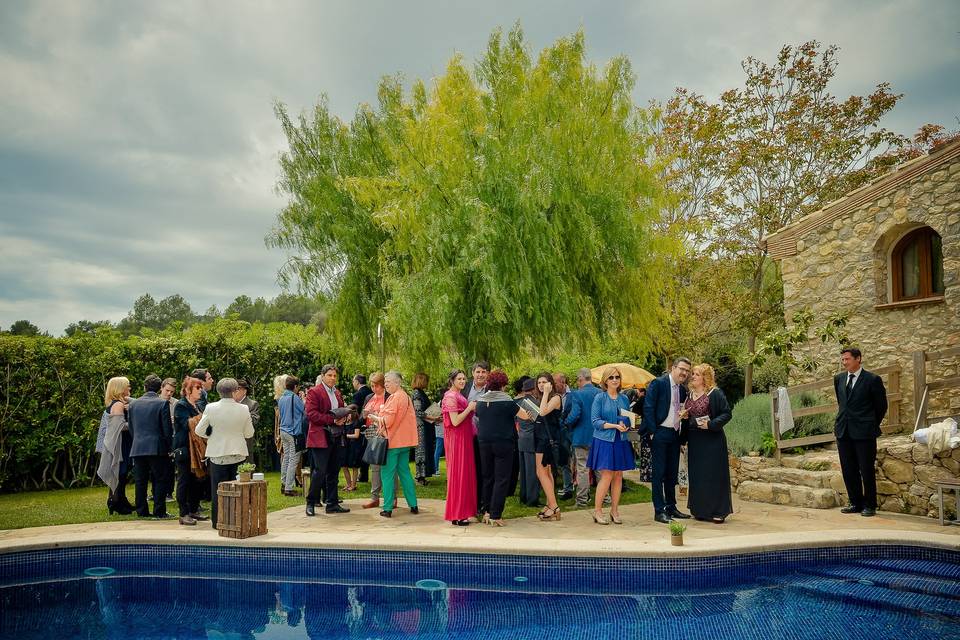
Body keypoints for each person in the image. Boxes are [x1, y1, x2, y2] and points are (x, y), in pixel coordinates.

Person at [834, 347, 888, 518]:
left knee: (866, 469)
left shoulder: (872, 380)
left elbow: (881, 406)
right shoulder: (839, 379)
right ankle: (855, 502)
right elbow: (842, 403)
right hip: (843, 431)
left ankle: (870, 505)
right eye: (842, 360)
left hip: (864, 432)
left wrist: (870, 424)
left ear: (858, 359)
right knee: (848, 469)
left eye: (847, 359)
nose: (844, 362)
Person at [195, 378, 254, 528]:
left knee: (218, 489)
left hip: (218, 454)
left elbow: (199, 430)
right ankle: (237, 520)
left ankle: (218, 521)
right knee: (238, 488)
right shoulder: (243, 409)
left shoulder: (211, 407)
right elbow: (249, 433)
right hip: (238, 453)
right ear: (235, 391)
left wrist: (213, 436)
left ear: (218, 392)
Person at [643, 357, 692, 524]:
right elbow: (648, 407)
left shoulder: (683, 390)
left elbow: (683, 413)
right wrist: (653, 432)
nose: (684, 373)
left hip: (674, 435)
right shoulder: (658, 383)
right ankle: (659, 510)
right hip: (660, 433)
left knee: (672, 473)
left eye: (687, 371)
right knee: (658, 473)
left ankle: (671, 507)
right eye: (682, 369)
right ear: (673, 368)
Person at [684, 364, 733, 523]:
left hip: (713, 441)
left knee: (714, 475)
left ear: (705, 377)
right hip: (695, 440)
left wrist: (711, 424)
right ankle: (700, 510)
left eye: (697, 374)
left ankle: (719, 511)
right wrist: (684, 416)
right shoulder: (689, 395)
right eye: (693, 374)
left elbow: (726, 414)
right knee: (698, 475)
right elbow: (688, 416)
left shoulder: (715, 394)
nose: (693, 377)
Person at [588, 366, 635, 524]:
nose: (615, 380)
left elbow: (626, 418)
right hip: (604, 440)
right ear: (605, 381)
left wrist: (626, 424)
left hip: (620, 439)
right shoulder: (599, 398)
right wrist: (614, 425)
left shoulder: (624, 399)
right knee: (607, 475)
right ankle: (598, 511)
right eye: (611, 378)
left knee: (618, 475)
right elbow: (595, 422)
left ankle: (614, 511)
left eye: (617, 377)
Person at [368, 371, 419, 518]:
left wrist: (374, 417)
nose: (386, 384)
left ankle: (388, 508)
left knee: (387, 474)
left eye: (388, 382)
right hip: (405, 442)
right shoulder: (406, 397)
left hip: (393, 442)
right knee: (405, 473)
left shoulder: (395, 397)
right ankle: (413, 504)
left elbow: (387, 421)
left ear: (397, 383)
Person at [304, 364, 352, 516]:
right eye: (330, 375)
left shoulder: (337, 393)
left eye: (335, 376)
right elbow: (311, 414)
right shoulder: (314, 391)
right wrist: (332, 420)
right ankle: (311, 502)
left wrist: (345, 416)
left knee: (333, 471)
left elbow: (341, 409)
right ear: (323, 376)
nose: (332, 378)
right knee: (319, 472)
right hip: (320, 436)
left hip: (337, 436)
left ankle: (332, 503)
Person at [475, 370, 521, 527]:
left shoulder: (480, 401)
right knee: (502, 478)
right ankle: (496, 514)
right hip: (503, 443)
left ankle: (486, 511)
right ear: (502, 385)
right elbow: (525, 415)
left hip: (484, 442)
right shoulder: (507, 401)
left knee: (487, 477)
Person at [128, 374, 174, 519]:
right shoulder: (162, 403)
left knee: (140, 481)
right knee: (160, 480)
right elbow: (167, 429)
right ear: (160, 388)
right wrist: (169, 447)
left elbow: (131, 427)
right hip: (157, 447)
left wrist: (136, 439)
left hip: (138, 446)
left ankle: (141, 511)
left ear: (144, 387)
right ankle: (159, 511)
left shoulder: (133, 404)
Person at [443, 369, 478, 525]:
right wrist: (470, 408)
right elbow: (455, 421)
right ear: (452, 380)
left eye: (464, 379)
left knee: (464, 475)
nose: (463, 381)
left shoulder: (457, 395)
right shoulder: (451, 397)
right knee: (459, 475)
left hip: (464, 438)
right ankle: (457, 514)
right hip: (457, 440)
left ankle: (461, 513)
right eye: (459, 379)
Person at [562, 368, 601, 507]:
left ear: (580, 379)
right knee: (599, 469)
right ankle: (605, 499)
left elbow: (575, 414)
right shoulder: (600, 393)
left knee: (582, 469)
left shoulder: (577, 394)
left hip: (581, 436)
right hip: (599, 435)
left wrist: (565, 422)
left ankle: (582, 500)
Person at [173, 376, 208, 526]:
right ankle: (183, 513)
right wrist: (203, 418)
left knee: (198, 480)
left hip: (197, 450)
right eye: (197, 388)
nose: (201, 391)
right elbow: (186, 424)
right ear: (188, 390)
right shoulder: (181, 406)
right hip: (185, 449)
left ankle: (193, 509)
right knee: (184, 480)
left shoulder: (197, 406)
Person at [96, 376, 134, 515]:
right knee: (120, 472)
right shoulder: (117, 404)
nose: (129, 388)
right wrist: (136, 424)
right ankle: (116, 502)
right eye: (127, 386)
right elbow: (120, 426)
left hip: (122, 441)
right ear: (120, 388)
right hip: (120, 443)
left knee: (121, 473)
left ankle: (120, 500)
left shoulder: (118, 402)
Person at [531, 372, 563, 521]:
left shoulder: (556, 398)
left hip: (547, 440)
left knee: (541, 472)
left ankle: (554, 506)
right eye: (539, 383)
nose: (541, 385)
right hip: (540, 437)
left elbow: (543, 412)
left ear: (550, 383)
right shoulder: (543, 398)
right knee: (546, 472)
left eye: (544, 382)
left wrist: (546, 393)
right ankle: (550, 503)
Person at [461, 361, 489, 513]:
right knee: (468, 471)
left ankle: (482, 504)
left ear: (488, 374)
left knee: (483, 470)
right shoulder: (464, 388)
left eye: (483, 372)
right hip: (466, 436)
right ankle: (470, 502)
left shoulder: (492, 389)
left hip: (484, 436)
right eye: (478, 372)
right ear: (473, 373)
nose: (480, 375)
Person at [361, 372, 388, 509]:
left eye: (376, 386)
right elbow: (362, 415)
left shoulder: (389, 397)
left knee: (388, 466)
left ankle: (392, 497)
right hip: (371, 433)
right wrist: (365, 414)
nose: (373, 388)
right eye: (372, 385)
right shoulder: (369, 397)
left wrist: (376, 415)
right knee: (374, 466)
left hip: (385, 434)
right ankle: (374, 497)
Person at [277, 376, 305, 496]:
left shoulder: (281, 398)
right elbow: (305, 410)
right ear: (295, 387)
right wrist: (303, 399)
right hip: (293, 432)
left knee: (286, 458)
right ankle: (289, 488)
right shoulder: (294, 397)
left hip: (283, 431)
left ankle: (284, 484)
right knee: (293, 460)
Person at [516, 377, 541, 507]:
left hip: (521, 438)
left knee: (524, 470)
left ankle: (524, 496)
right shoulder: (534, 403)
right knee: (532, 471)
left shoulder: (518, 402)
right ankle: (532, 499)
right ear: (533, 389)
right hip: (531, 438)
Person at [345, 374, 373, 490]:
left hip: (358, 423)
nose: (353, 384)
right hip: (370, 423)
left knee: (359, 452)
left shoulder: (358, 394)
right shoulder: (371, 392)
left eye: (353, 381)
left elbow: (354, 408)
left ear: (357, 382)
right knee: (365, 450)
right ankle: (364, 475)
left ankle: (361, 477)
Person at [411, 372, 437, 485]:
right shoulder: (417, 393)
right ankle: (419, 477)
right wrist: (433, 417)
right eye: (426, 380)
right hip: (420, 427)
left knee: (425, 450)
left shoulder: (421, 393)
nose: (427, 383)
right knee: (421, 451)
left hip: (426, 425)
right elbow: (418, 412)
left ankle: (423, 475)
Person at [553, 372, 574, 500]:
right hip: (557, 433)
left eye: (555, 382)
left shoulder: (573, 395)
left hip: (571, 433)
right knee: (563, 461)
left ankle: (571, 487)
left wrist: (565, 422)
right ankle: (567, 487)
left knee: (573, 461)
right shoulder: (553, 396)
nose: (553, 385)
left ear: (563, 382)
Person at [234, 378, 260, 463]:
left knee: (246, 469)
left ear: (244, 391)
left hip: (245, 441)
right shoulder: (229, 404)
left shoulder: (252, 404)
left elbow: (254, 421)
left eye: (237, 388)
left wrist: (241, 412)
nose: (234, 391)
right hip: (231, 443)